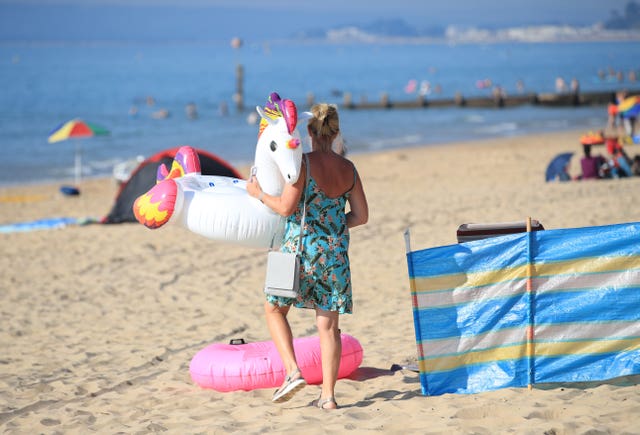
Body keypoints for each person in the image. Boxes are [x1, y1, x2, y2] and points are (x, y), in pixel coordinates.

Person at [246, 103, 369, 410]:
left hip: (299, 251)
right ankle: (327, 397)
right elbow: (362, 216)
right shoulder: (349, 169)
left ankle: (292, 371)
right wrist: (335, 225)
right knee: (328, 328)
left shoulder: (303, 164)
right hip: (335, 255)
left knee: (274, 309)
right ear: (337, 132)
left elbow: (286, 207)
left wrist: (258, 194)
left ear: (309, 133)